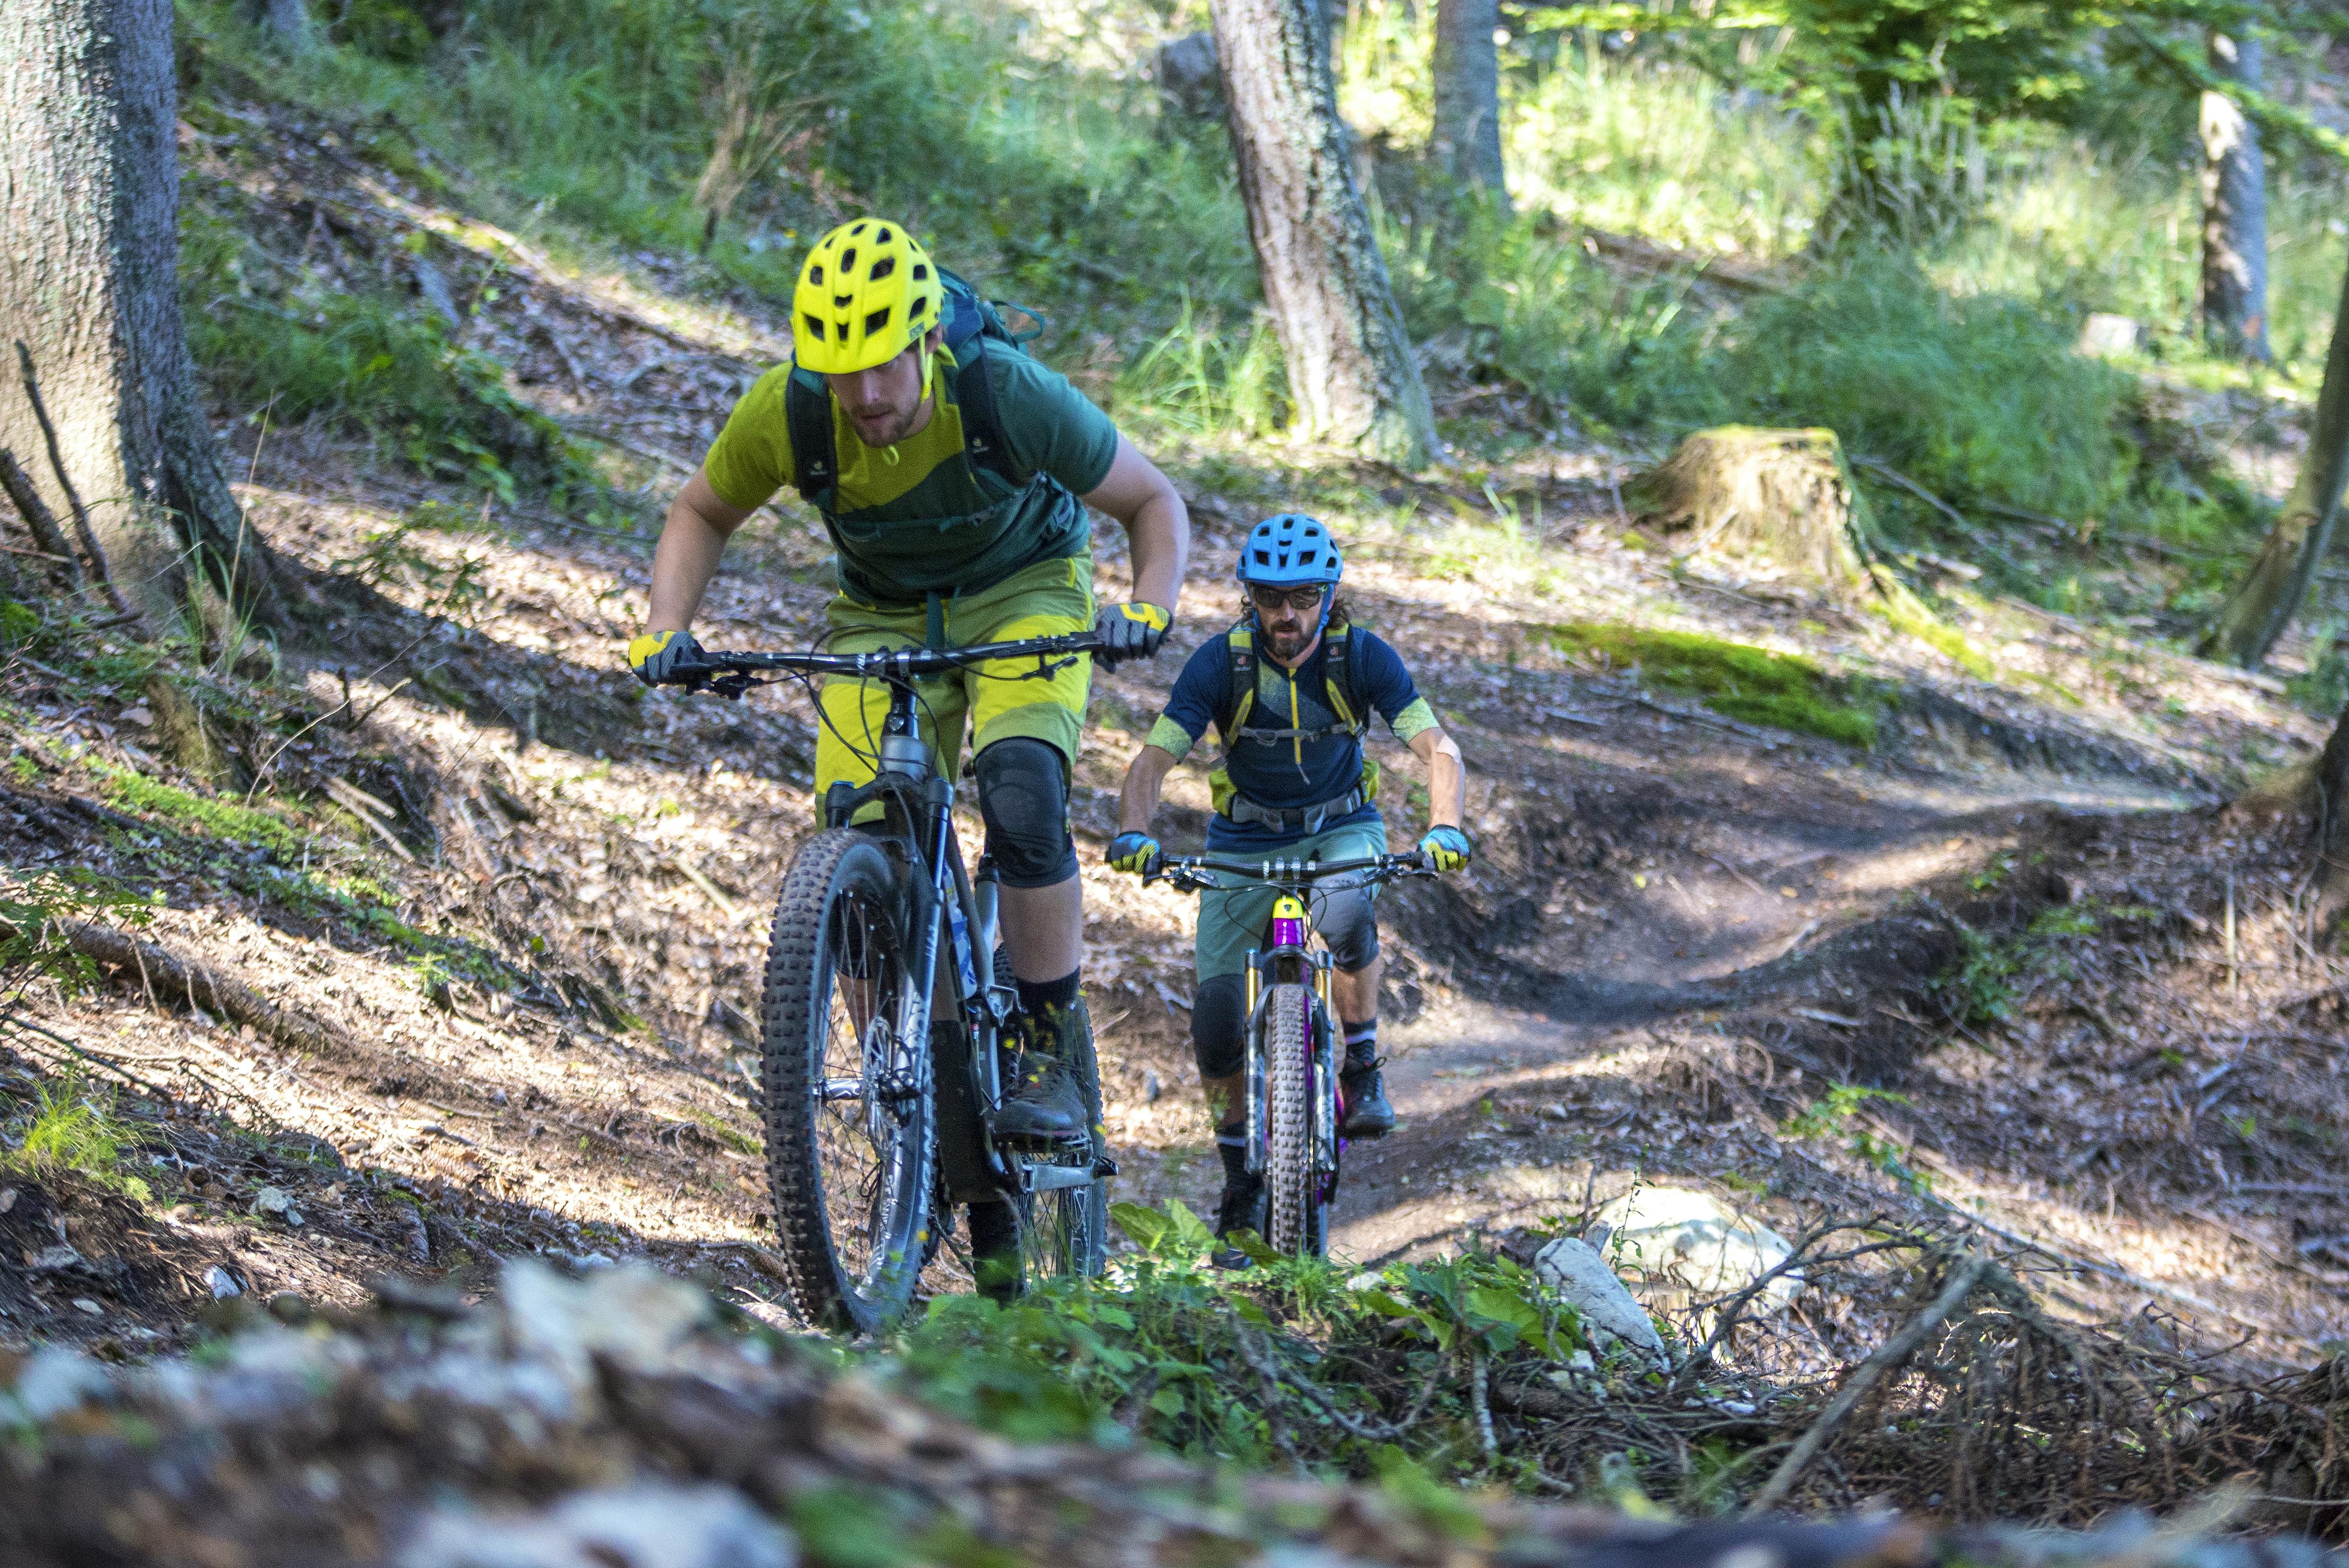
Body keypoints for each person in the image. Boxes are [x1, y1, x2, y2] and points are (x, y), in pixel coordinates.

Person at [625, 217, 1190, 1157]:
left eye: (885, 364)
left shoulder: (1000, 390)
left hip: (1026, 593)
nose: (865, 393)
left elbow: (1150, 500)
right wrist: (666, 625)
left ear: (928, 338)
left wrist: (1150, 605)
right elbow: (702, 510)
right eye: (841, 370)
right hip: (885, 612)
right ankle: (907, 1072)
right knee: (857, 831)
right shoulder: (792, 410)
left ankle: (1051, 1047)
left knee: (1019, 788)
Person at [1106, 513, 1470, 1261]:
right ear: (1249, 596)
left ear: (1328, 594)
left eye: (1303, 596)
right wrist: (1136, 832)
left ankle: (1362, 1062)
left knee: (1343, 911)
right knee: (1213, 1021)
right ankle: (1240, 1176)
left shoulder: (1362, 656)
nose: (1286, 615)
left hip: (1341, 827)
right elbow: (1152, 758)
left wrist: (1446, 826)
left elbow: (1438, 747)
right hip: (1243, 838)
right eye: (1271, 597)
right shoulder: (1221, 665)